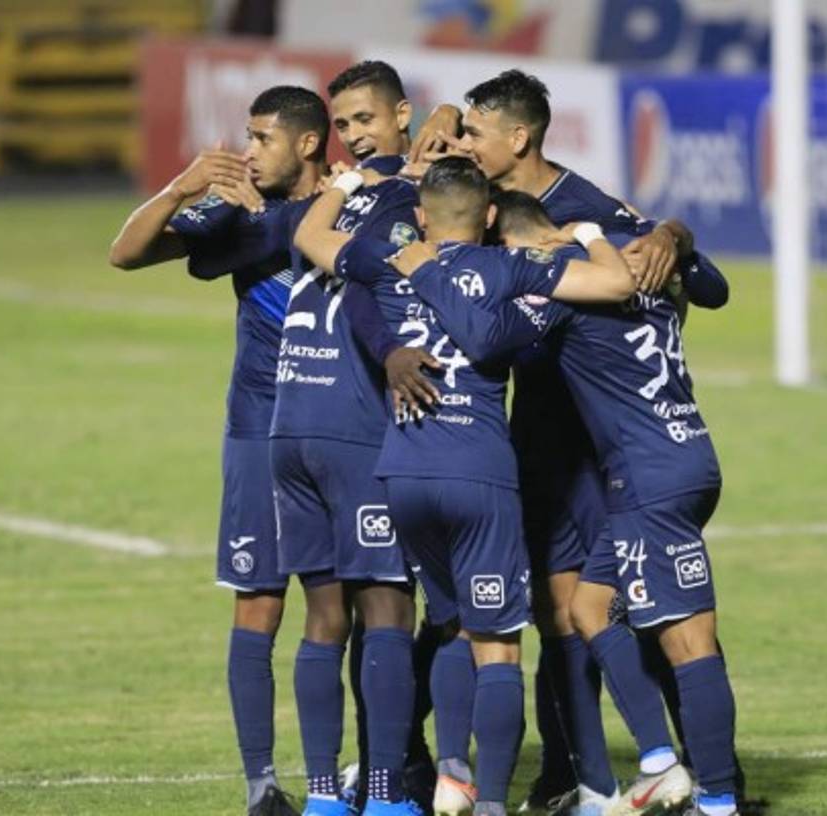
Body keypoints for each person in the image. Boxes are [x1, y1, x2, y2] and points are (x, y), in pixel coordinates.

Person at [295, 156, 637, 816]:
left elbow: (309, 238)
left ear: (421, 216)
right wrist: (589, 231)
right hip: (479, 472)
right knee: (499, 646)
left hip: (403, 472)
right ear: (487, 218)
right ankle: (488, 805)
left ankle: (452, 771)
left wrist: (341, 184)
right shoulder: (507, 267)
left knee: (448, 622)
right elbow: (617, 284)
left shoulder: (389, 258)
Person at [385, 189, 742, 816]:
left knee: (690, 640)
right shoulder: (638, 264)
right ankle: (658, 760)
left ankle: (716, 800)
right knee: (589, 606)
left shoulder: (563, 293)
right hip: (685, 451)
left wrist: (431, 273)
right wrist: (672, 235)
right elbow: (709, 284)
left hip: (646, 472)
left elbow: (488, 340)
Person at [108, 85, 328, 816]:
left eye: (262, 137)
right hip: (258, 430)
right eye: (247, 135)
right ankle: (262, 784)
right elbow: (126, 253)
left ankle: (364, 777)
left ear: (306, 143)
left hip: (343, 433)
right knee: (258, 605)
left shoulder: (354, 209)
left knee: (355, 609)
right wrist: (181, 187)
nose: (246, 151)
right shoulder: (232, 214)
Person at [270, 60, 450, 816]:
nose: (349, 137)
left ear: (401, 114)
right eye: (341, 125)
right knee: (387, 612)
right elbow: (376, 288)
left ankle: (320, 794)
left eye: (362, 121)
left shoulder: (328, 200)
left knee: (322, 616)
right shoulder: (405, 201)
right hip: (350, 425)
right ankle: (382, 793)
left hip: (290, 421)